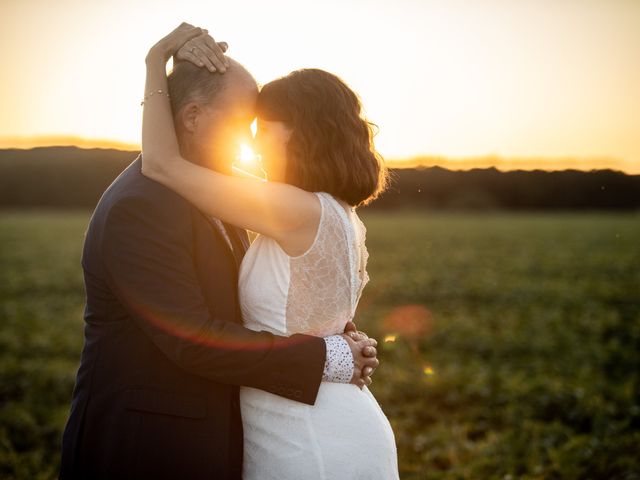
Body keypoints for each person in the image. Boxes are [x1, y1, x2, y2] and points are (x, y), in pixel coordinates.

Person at [58, 23, 379, 480]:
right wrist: (331, 354)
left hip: (278, 433)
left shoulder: (240, 198)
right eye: (243, 122)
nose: (249, 141)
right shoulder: (141, 205)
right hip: (147, 449)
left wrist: (334, 338)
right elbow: (192, 338)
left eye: (260, 127)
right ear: (191, 117)